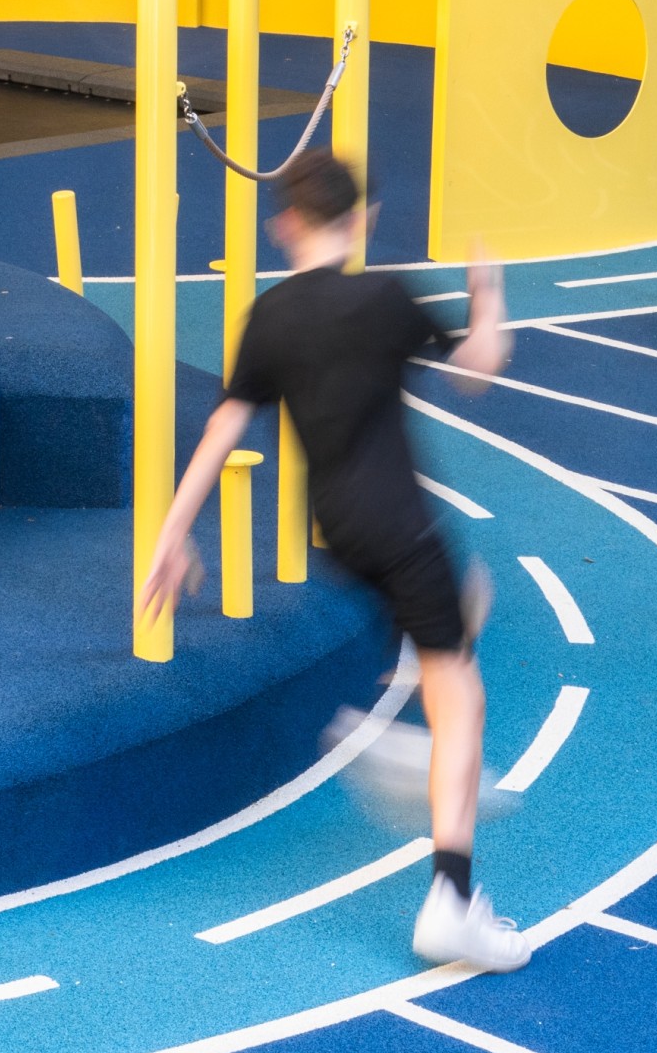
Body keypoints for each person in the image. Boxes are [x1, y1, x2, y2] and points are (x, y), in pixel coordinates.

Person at [138, 149, 530, 973]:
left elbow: (220, 432)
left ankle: (397, 723)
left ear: (285, 225)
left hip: (340, 531)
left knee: (467, 607)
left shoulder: (268, 317)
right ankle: (451, 899)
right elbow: (479, 369)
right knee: (463, 692)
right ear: (364, 222)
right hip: (399, 518)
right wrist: (488, 298)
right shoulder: (385, 298)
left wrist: (172, 537)